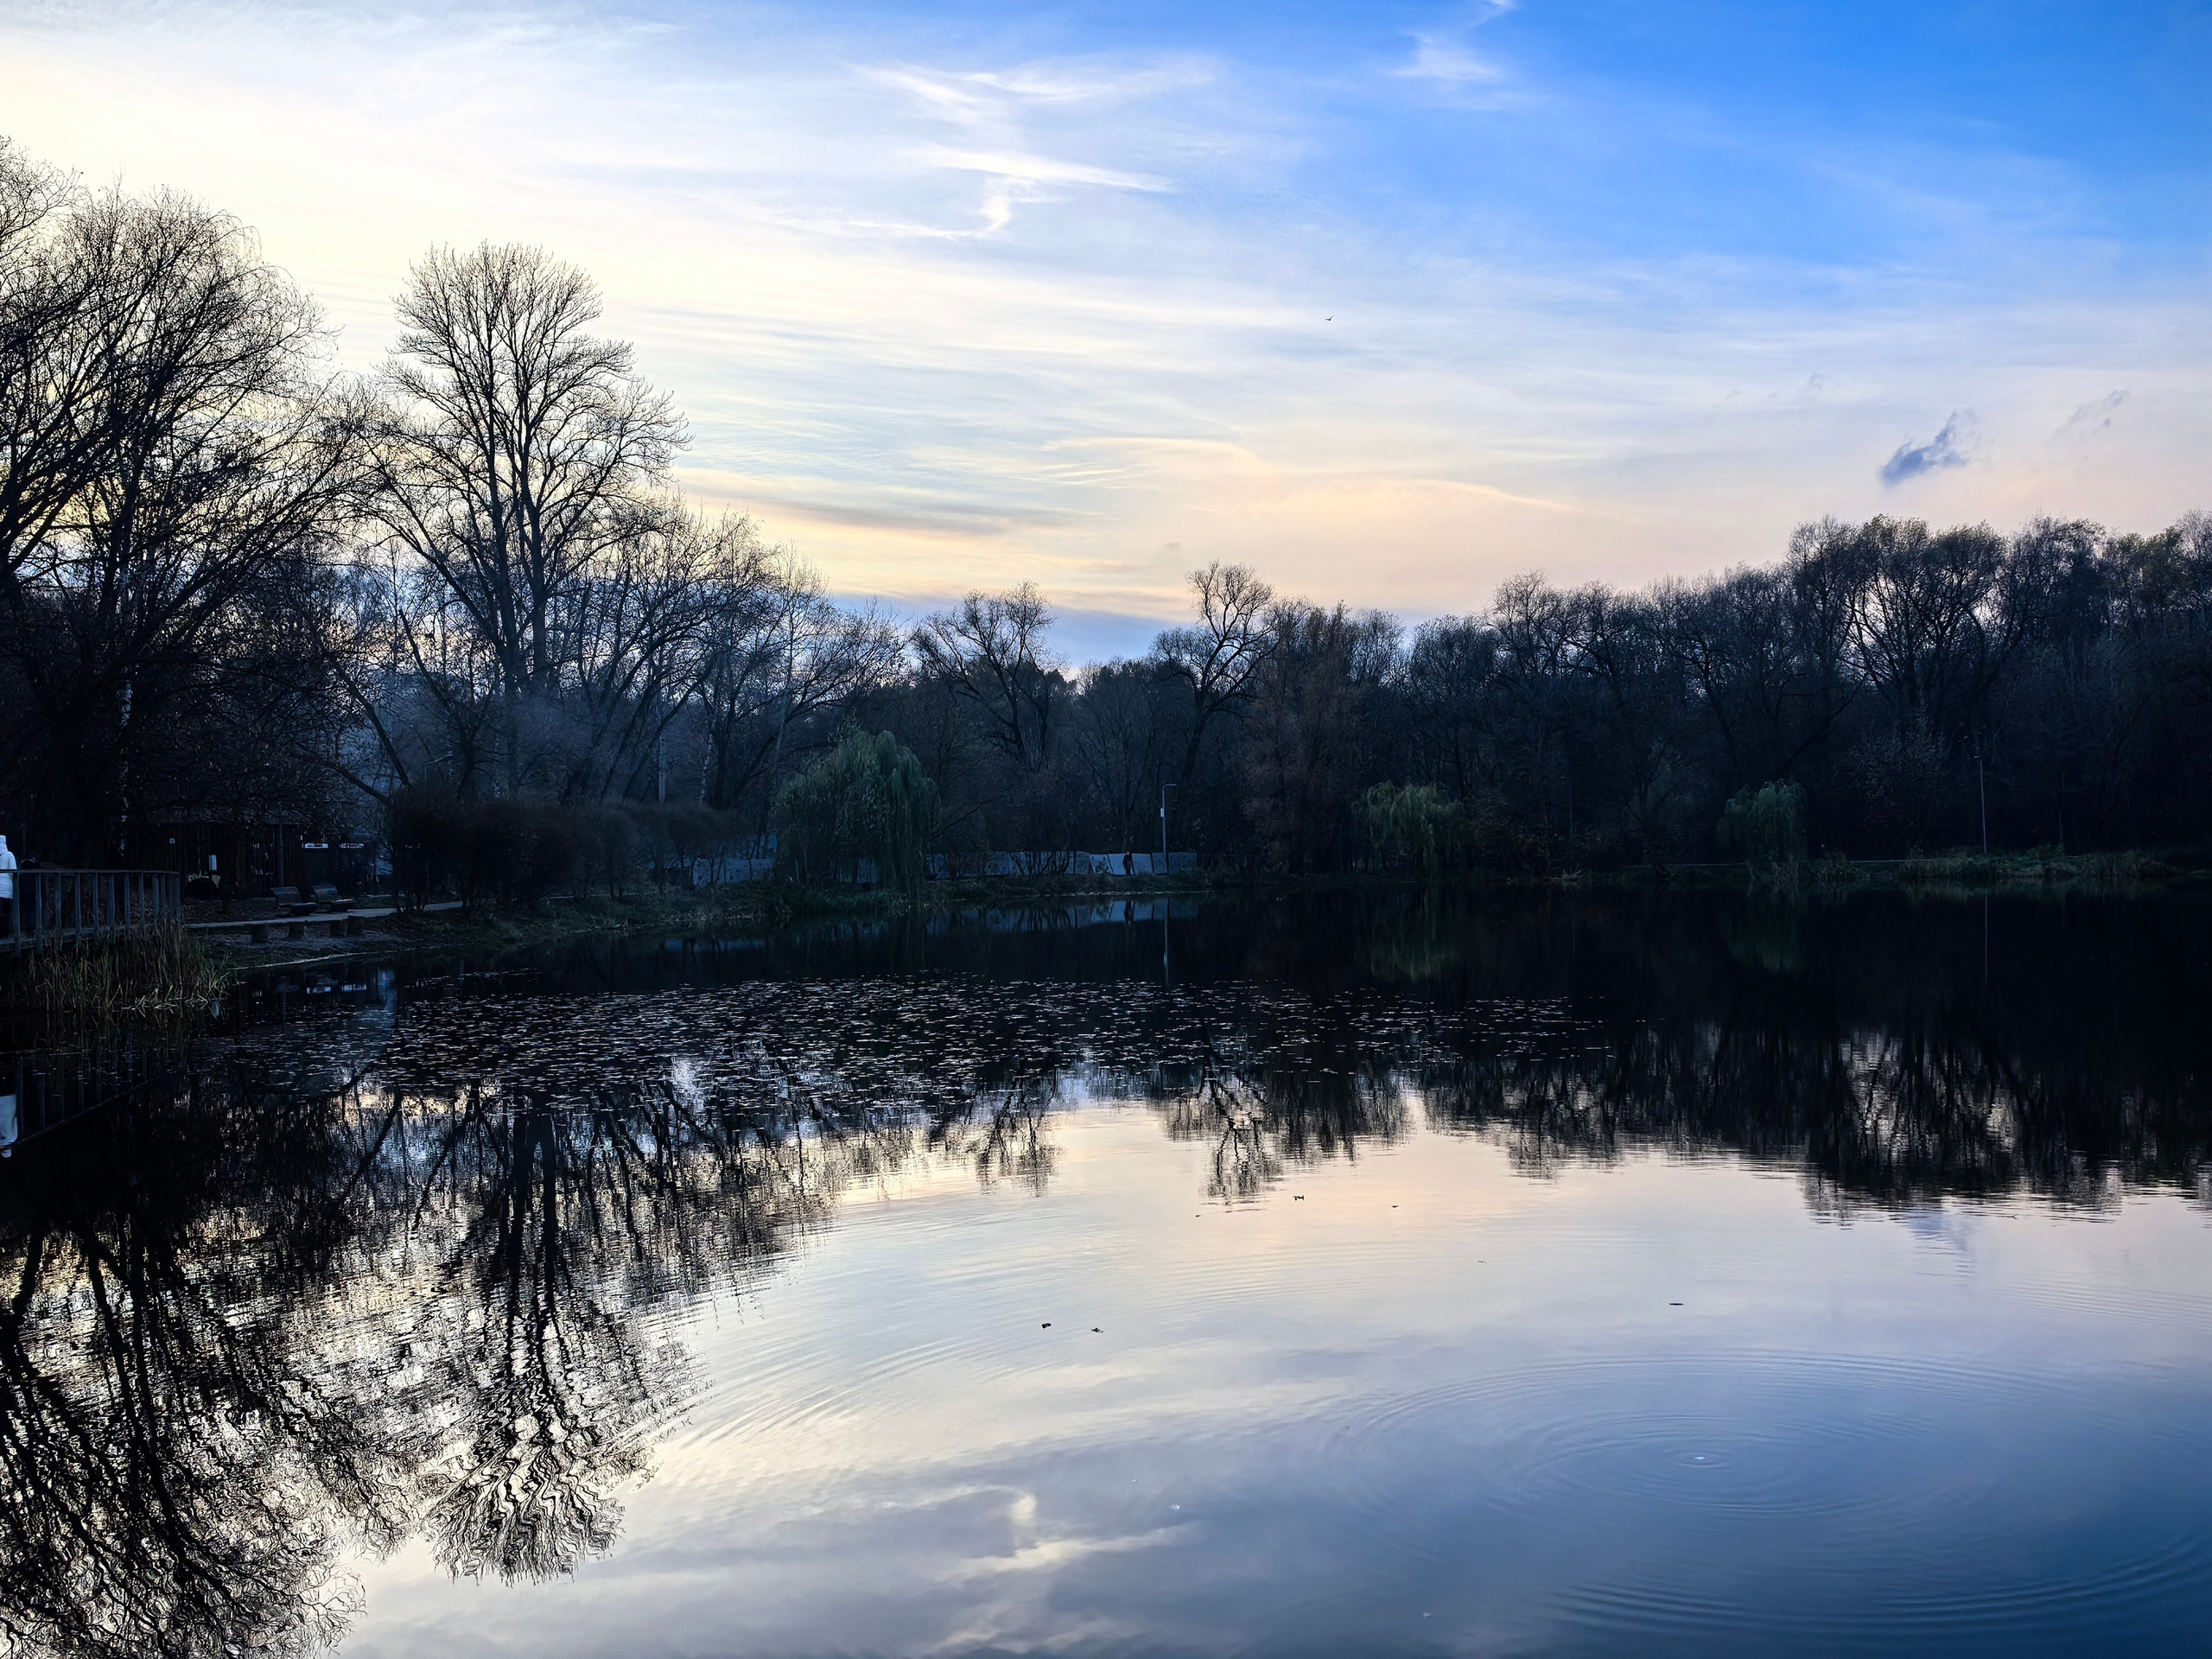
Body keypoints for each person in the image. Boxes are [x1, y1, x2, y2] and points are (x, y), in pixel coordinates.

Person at [0, 834, 14, 941]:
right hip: (6, 888)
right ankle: (5, 933)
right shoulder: (9, 855)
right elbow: (13, 871)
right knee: (5, 911)